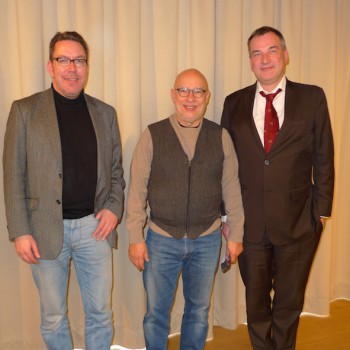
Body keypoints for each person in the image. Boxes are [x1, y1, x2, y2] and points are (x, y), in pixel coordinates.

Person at [3, 31, 125, 350]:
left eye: (80, 60)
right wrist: (20, 231)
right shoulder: (24, 111)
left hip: (94, 228)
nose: (72, 68)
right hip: (44, 231)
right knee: (54, 317)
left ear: (87, 65)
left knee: (100, 313)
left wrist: (113, 207)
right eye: (64, 60)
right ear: (50, 66)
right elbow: (12, 175)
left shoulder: (105, 113)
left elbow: (115, 172)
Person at [221, 26, 334, 350]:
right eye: (257, 53)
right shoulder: (234, 103)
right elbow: (225, 165)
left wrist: (321, 213)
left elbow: (324, 156)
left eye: (271, 50)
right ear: (250, 61)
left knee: (288, 304)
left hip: (299, 223)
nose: (264, 59)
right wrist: (227, 217)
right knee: (256, 303)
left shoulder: (312, 97)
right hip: (249, 224)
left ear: (285, 55)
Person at [126, 68, 244, 350]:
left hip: (207, 239)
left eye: (198, 91)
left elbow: (232, 189)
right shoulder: (152, 135)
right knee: (156, 315)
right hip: (160, 240)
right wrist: (135, 237)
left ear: (207, 97)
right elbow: (136, 191)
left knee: (199, 312)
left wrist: (236, 234)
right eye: (183, 90)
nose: (190, 98)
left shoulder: (220, 136)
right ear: (173, 95)